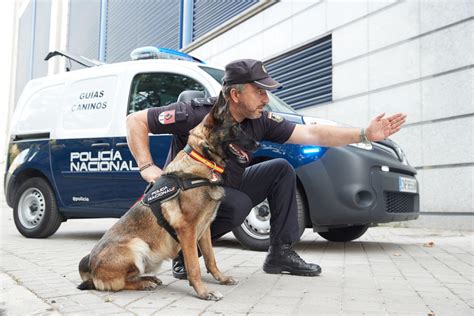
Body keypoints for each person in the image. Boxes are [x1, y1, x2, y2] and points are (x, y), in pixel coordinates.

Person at [126, 59, 407, 279]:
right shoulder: (197, 113)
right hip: (187, 197)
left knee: (281, 169)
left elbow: (312, 135)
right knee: (236, 204)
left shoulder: (260, 119)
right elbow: (135, 121)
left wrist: (364, 134)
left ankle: (280, 254)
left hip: (224, 185)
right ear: (235, 94)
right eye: (259, 91)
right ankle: (183, 255)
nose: (265, 97)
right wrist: (147, 167)